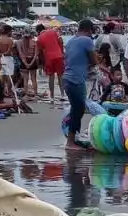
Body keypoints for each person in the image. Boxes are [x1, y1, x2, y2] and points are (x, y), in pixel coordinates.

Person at [62, 19, 98, 149]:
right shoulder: (87, 40)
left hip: (66, 78)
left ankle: (73, 137)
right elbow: (94, 60)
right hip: (76, 80)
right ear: (89, 30)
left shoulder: (70, 41)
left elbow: (71, 59)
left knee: (76, 108)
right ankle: (70, 142)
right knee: (78, 109)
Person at [36, 24, 64, 101]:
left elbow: (40, 52)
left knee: (51, 77)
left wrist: (43, 64)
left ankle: (52, 96)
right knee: (60, 76)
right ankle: (62, 94)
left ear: (38, 31)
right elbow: (60, 42)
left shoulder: (39, 38)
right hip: (59, 56)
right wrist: (62, 53)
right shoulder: (53, 32)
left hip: (49, 58)